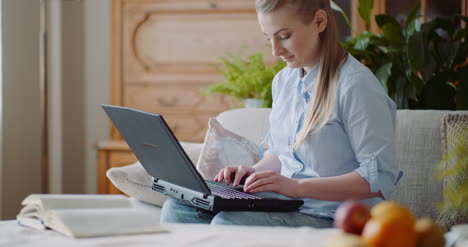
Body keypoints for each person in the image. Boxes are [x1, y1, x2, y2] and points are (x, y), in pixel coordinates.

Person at [160, 0, 402, 228]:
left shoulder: (356, 86)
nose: (275, 51)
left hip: (330, 215)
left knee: (229, 224)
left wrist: (297, 187)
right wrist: (253, 171)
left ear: (319, 22)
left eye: (284, 36)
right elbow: (281, 152)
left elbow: (378, 179)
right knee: (177, 209)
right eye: (269, 38)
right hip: (285, 203)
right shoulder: (284, 81)